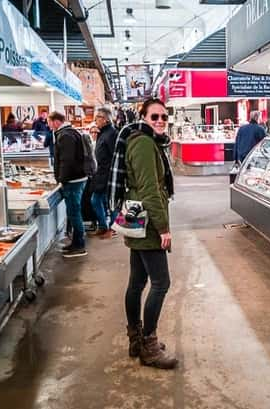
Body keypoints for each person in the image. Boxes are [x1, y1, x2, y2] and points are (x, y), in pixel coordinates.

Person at [122, 98, 177, 369]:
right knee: (161, 283)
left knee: (137, 282)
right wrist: (163, 228)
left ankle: (135, 337)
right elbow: (150, 191)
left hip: (139, 222)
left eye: (164, 117)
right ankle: (149, 346)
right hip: (147, 224)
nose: (159, 121)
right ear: (143, 117)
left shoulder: (144, 141)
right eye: (154, 116)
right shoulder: (144, 144)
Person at [49, 111, 96, 258]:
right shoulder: (71, 132)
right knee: (75, 211)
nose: (49, 125)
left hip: (73, 180)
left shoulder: (65, 135)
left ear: (56, 121)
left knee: (74, 212)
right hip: (78, 178)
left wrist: (61, 179)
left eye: (49, 122)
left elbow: (66, 160)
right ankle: (76, 243)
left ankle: (79, 246)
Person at [90, 108, 118, 239]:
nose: (95, 120)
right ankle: (103, 226)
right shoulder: (103, 133)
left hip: (109, 174)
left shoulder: (112, 133)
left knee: (110, 202)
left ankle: (112, 228)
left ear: (106, 119)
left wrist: (113, 174)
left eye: (98, 117)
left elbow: (115, 155)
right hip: (101, 173)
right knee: (95, 200)